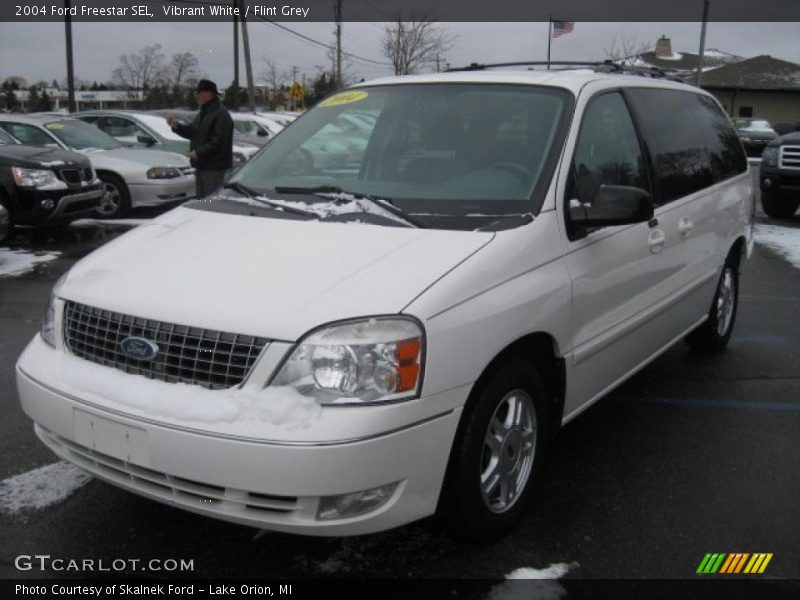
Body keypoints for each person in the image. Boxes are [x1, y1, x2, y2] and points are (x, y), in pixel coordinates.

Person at [167, 80, 233, 199]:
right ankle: (204, 217)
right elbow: (193, 132)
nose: (196, 96)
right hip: (202, 166)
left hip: (213, 168)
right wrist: (176, 125)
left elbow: (219, 141)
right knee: (203, 200)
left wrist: (198, 152)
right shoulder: (204, 112)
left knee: (211, 201)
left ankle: (211, 217)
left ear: (209, 94)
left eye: (199, 93)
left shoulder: (221, 114)